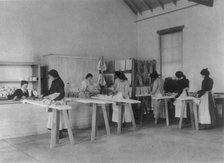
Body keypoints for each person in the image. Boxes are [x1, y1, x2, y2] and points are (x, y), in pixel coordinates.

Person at [44, 69, 67, 138]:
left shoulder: (60, 82)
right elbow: (50, 91)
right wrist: (43, 94)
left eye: (50, 76)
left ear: (54, 75)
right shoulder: (54, 81)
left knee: (59, 117)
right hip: (54, 100)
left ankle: (59, 132)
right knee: (52, 116)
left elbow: (62, 93)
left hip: (58, 100)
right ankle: (55, 131)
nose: (50, 78)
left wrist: (55, 100)